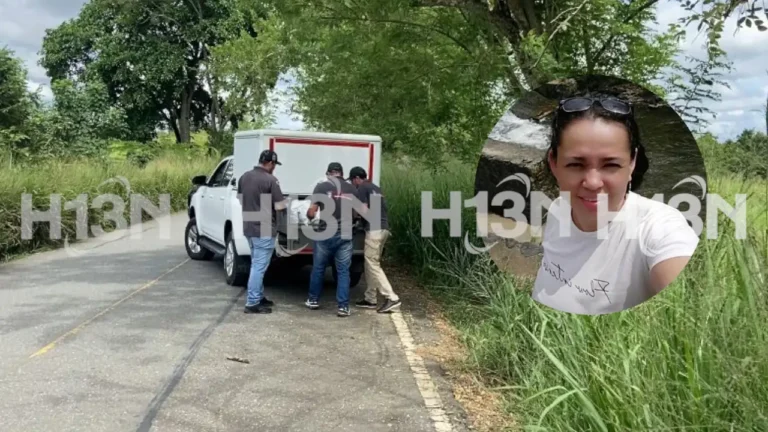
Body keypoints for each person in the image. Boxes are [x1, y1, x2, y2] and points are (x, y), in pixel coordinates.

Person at [530, 95, 700, 315]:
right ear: (554, 163)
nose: (592, 182)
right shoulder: (557, 210)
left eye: (610, 165)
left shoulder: (658, 227)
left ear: (632, 163)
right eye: (575, 164)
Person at [237, 149, 290, 314]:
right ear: (271, 163)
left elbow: (240, 199)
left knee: (256, 264)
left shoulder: (244, 177)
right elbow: (280, 206)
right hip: (264, 228)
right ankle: (252, 302)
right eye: (274, 164)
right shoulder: (271, 180)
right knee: (259, 267)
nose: (274, 168)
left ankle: (258, 297)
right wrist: (287, 202)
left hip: (248, 227)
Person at [305, 162, 359, 317]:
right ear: (342, 173)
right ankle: (343, 307)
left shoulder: (321, 187)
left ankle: (313, 300)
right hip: (345, 235)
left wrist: (310, 218)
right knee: (343, 271)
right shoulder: (351, 189)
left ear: (328, 173)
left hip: (324, 234)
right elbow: (356, 214)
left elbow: (311, 212)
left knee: (319, 268)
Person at [347, 166, 401, 313]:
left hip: (374, 231)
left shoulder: (362, 188)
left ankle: (392, 297)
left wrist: (352, 215)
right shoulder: (376, 188)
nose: (353, 184)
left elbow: (363, 210)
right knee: (370, 262)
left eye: (352, 181)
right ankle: (370, 298)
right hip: (383, 228)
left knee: (373, 264)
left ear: (357, 178)